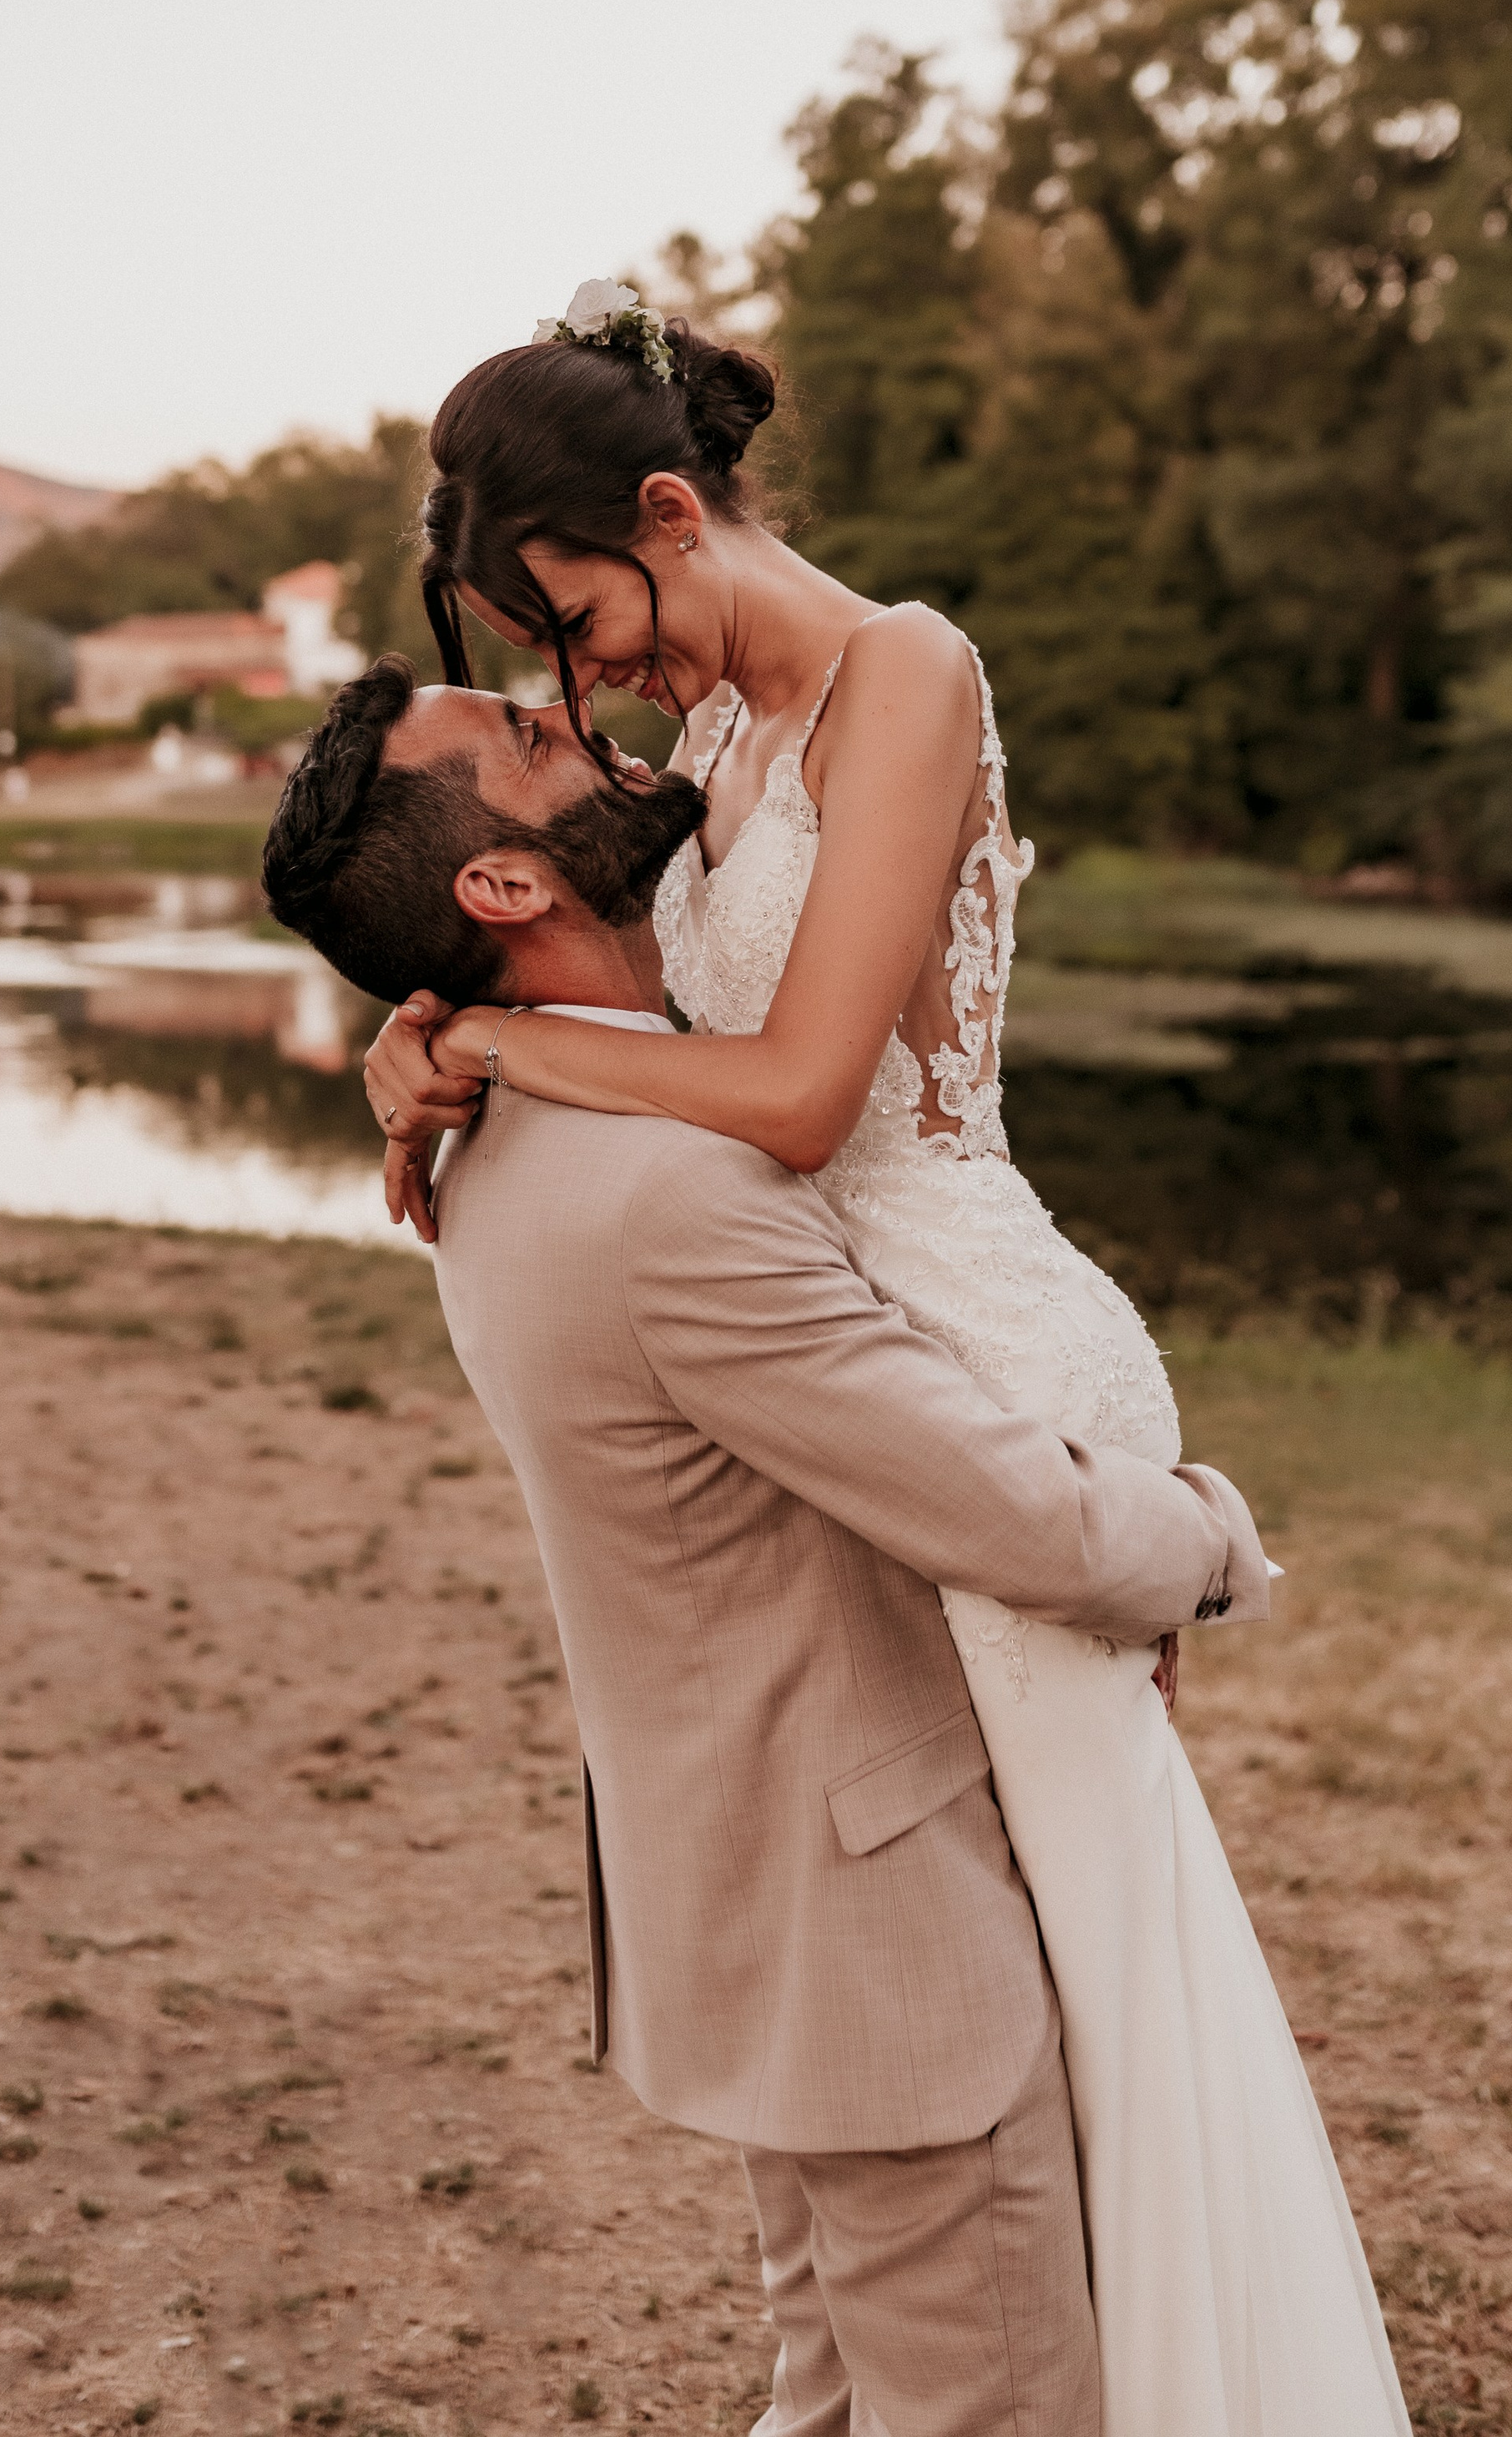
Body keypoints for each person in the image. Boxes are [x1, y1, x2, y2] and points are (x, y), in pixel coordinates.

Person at [359, 282, 1411, 2437]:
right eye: (555, 662)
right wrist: (427, 1029)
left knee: (1084, 1956)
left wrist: (494, 1033)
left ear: (672, 505)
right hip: (851, 1358)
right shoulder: (729, 740)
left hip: (987, 1345)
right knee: (972, 1959)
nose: (591, 680)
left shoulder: (902, 670)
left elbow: (809, 1088)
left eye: (578, 618)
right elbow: (544, 921)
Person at [262, 653, 1277, 2436]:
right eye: (521, 735)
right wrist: (1201, 1537)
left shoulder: (507, 1127)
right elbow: (1007, 1508)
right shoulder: (660, 1192)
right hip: (870, 1923)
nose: (567, 705)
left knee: (837, 2399)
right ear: (503, 885)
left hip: (764, 1895)